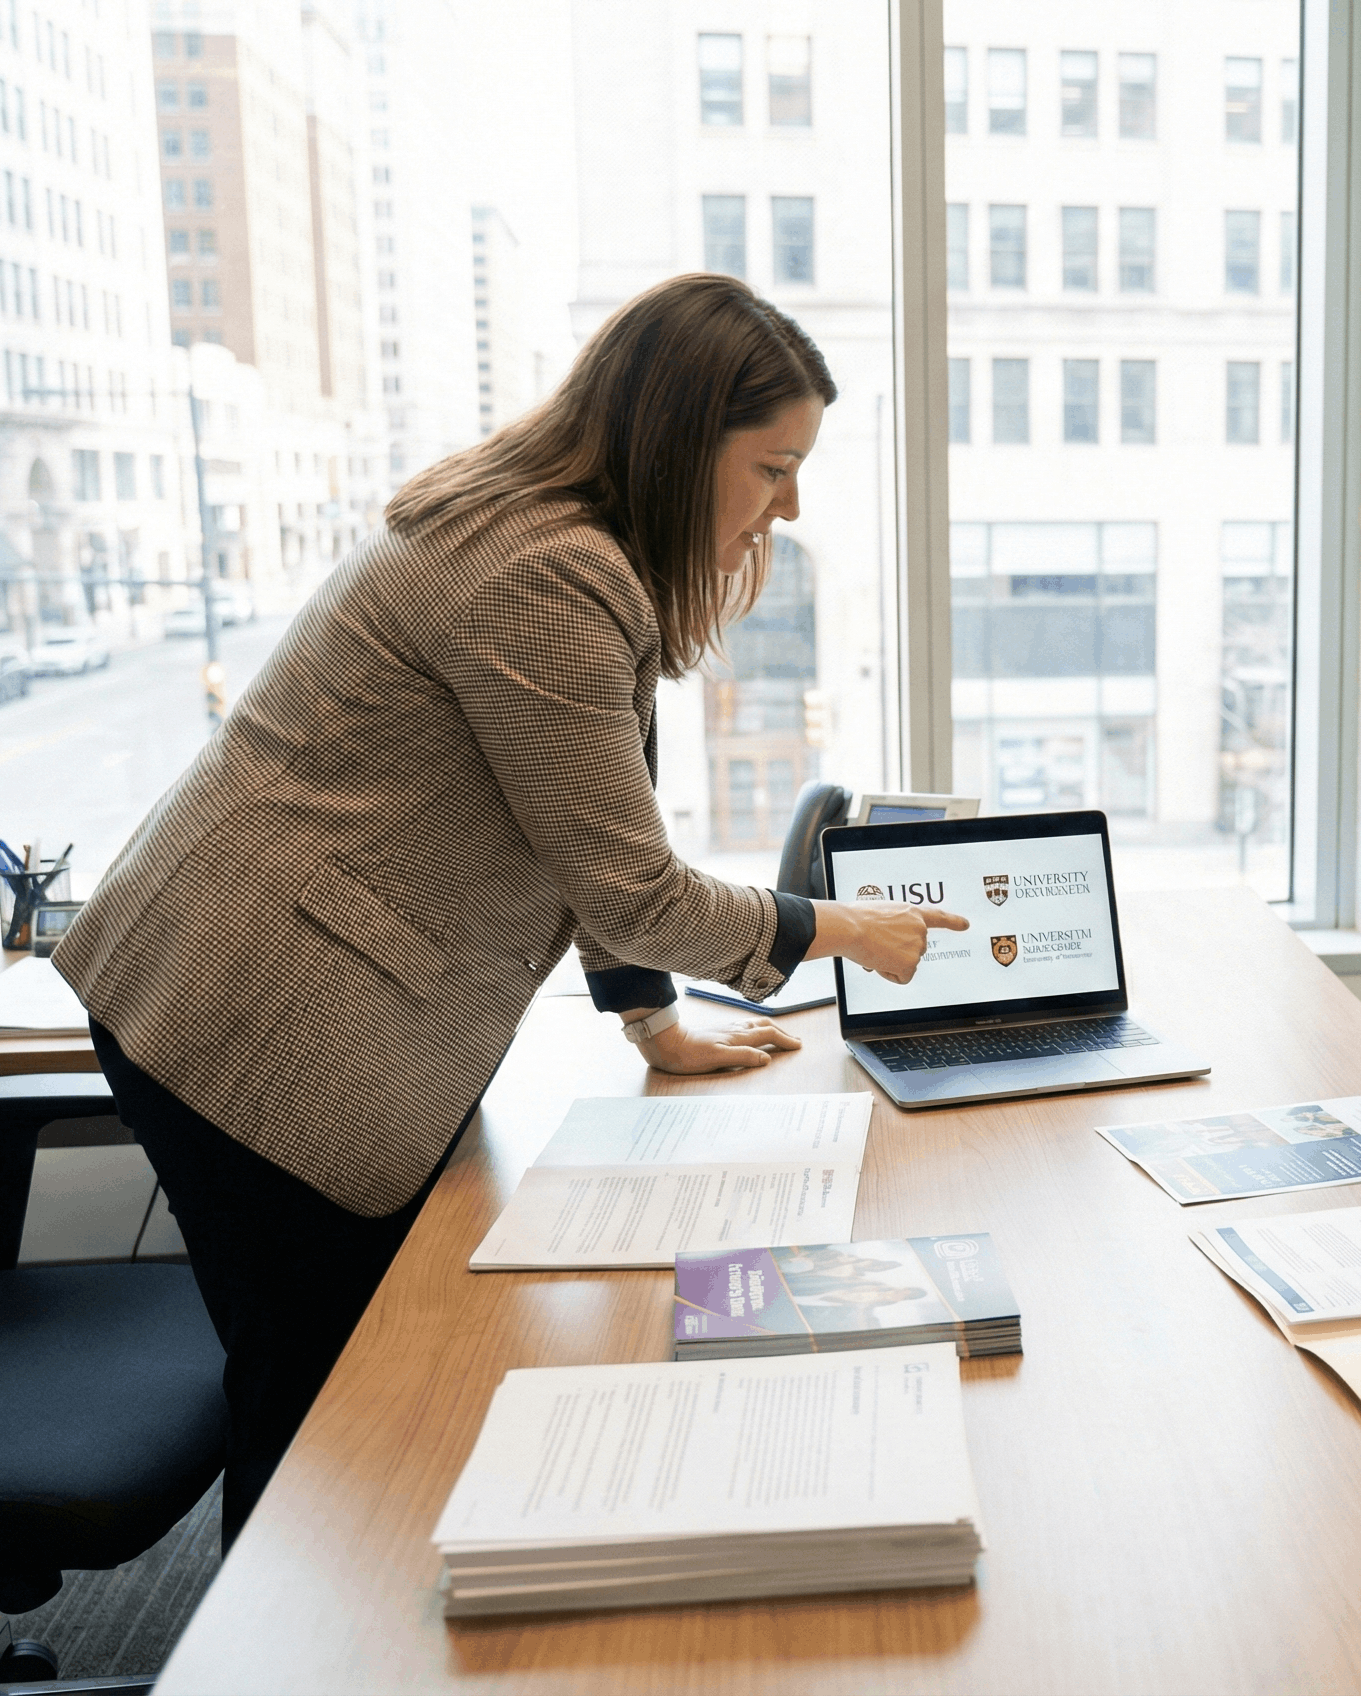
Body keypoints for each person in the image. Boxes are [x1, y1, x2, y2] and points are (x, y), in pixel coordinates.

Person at [54, 274, 966, 1548]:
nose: (790, 503)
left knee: (366, 1393)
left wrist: (651, 1024)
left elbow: (584, 821)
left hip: (279, 974)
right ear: (676, 437)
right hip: (254, 1007)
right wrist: (838, 925)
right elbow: (632, 885)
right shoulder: (543, 571)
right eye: (772, 465)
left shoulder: (558, 541)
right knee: (328, 1414)